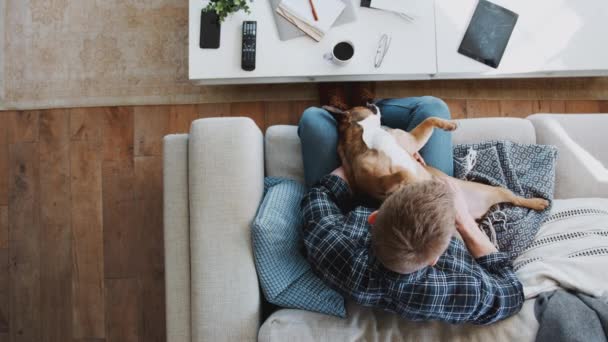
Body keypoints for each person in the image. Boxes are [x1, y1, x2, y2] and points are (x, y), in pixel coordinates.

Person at [299, 96, 524, 324]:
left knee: (314, 117)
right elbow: (512, 293)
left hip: (362, 188)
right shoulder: (454, 289)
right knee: (433, 108)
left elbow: (319, 195)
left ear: (373, 217)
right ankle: (374, 115)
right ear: (435, 259)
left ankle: (368, 114)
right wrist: (465, 221)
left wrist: (357, 162)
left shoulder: (334, 248)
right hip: (423, 183)